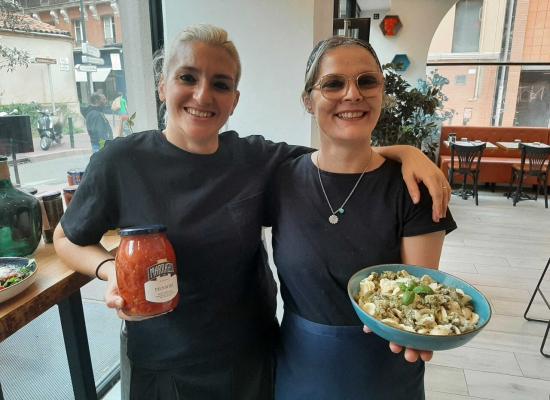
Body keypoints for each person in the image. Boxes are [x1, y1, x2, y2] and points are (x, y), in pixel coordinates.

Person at [54, 25, 451, 400]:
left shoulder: (257, 160)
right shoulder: (122, 161)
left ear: (234, 100)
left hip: (253, 355)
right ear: (162, 86)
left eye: (220, 84)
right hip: (165, 361)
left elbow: (343, 156)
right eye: (187, 78)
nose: (203, 95)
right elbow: (66, 239)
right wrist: (111, 273)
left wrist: (406, 153)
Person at [269, 37, 457, 400]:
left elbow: (417, 299)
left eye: (367, 82)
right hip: (299, 366)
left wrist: (420, 334)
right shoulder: (281, 179)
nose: (352, 94)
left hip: (383, 369)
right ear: (308, 100)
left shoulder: (413, 188)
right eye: (333, 83)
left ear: (382, 94)